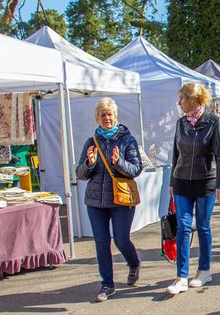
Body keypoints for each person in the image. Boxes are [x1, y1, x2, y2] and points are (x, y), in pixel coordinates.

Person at [76, 97, 143, 302]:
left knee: (121, 240)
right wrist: (89, 162)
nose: (106, 118)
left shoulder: (127, 140)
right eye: (103, 115)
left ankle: (134, 263)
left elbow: (136, 169)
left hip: (121, 199)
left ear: (115, 116)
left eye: (109, 114)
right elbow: (80, 173)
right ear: (97, 118)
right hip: (96, 202)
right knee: (102, 243)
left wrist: (118, 162)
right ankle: (107, 284)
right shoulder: (91, 142)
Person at [166, 82, 220, 295]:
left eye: (181, 98)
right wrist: (172, 182)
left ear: (192, 100)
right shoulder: (180, 123)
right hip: (182, 181)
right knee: (183, 227)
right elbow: (175, 153)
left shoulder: (213, 121)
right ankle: (181, 276)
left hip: (205, 182)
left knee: (202, 226)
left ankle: (204, 271)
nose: (179, 102)